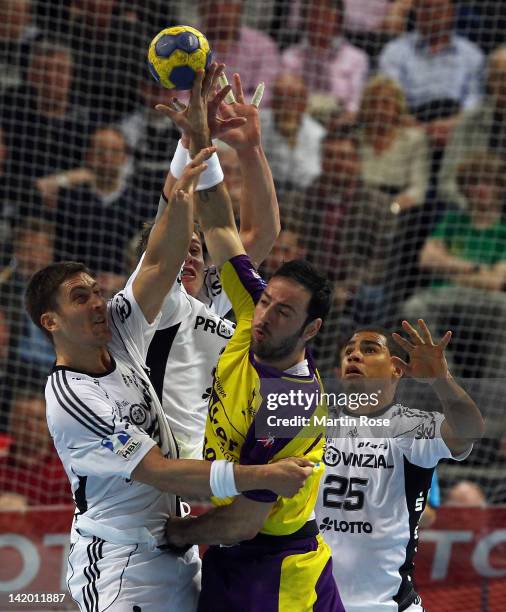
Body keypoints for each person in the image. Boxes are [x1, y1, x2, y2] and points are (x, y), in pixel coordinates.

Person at [25, 127, 311, 611]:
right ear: (51, 321)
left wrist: (223, 144)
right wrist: (257, 475)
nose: (99, 303)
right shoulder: (150, 315)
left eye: (97, 292)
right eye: (82, 297)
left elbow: (255, 237)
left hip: (179, 522)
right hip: (133, 539)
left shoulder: (137, 325)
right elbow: (163, 252)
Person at [161, 71, 343, 611]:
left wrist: (174, 536)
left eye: (282, 311)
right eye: (265, 301)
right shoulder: (251, 312)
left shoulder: (290, 403)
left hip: (276, 572)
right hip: (230, 548)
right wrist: (215, 143)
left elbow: (243, 519)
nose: (264, 315)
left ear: (311, 331)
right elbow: (220, 225)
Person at [142, 68, 280, 459]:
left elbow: (261, 233)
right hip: (156, 453)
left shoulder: (219, 288)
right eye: (180, 249)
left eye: (196, 251)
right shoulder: (151, 292)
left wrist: (251, 148)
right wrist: (191, 140)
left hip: (215, 451)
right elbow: (174, 202)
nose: (187, 257)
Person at [315, 322, 484, 612]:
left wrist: (441, 379)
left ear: (397, 370)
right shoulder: (312, 427)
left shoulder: (411, 428)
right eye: (348, 352)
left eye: (369, 349)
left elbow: (469, 431)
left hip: (387, 605)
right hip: (312, 602)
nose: (354, 356)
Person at [403, 151, 506, 378]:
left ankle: (495, 391)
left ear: (500, 188)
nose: (480, 188)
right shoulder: (451, 221)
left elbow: (497, 281)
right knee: (414, 308)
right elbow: (426, 259)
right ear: (464, 189)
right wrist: (477, 269)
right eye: (474, 182)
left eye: (488, 182)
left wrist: (448, 266)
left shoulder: (503, 230)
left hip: (486, 301)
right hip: (444, 295)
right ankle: (449, 382)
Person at [379, 0, 484, 152]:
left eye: (438, 7)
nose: (431, 12)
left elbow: (474, 102)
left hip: (458, 129)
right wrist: (421, 129)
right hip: (408, 130)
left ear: (452, 11)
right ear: (416, 11)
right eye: (425, 7)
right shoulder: (394, 51)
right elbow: (391, 99)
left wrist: (453, 125)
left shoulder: (472, 54)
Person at [438, 45, 506, 209]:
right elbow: (447, 180)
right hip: (469, 214)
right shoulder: (470, 120)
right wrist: (475, 208)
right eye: (499, 77)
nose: (504, 84)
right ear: (489, 80)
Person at [281, 0, 369, 122]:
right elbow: (285, 104)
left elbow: (354, 107)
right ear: (305, 16)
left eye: (327, 12)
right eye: (315, 12)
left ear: (339, 17)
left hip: (340, 129)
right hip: (299, 127)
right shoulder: (290, 57)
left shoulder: (357, 59)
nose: (321, 19)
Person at [0, 389, 71, 509]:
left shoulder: (71, 467)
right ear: (11, 424)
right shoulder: (2, 468)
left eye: (38, 419)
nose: (31, 426)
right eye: (22, 420)